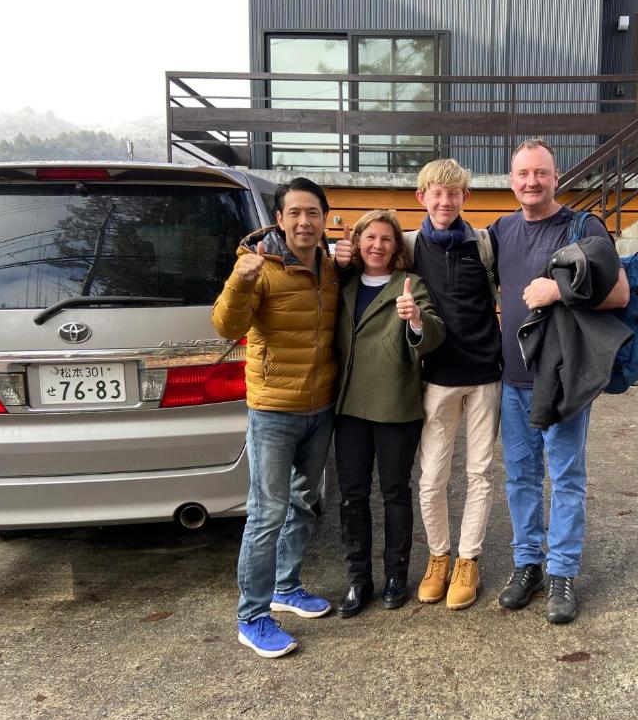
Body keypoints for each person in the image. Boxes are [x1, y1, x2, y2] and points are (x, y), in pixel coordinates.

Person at [489, 139, 629, 624]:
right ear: (511, 181)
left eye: (541, 173)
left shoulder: (583, 227)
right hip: (512, 378)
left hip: (564, 378)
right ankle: (527, 564)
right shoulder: (501, 231)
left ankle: (562, 572)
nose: (532, 182)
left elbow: (619, 293)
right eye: (523, 174)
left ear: (556, 177)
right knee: (520, 477)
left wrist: (559, 290)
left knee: (566, 479)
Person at [211, 177, 339, 658]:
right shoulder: (259, 267)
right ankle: (252, 617)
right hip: (273, 410)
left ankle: (287, 587)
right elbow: (226, 325)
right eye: (295, 213)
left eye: (313, 212)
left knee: (305, 502)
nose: (305, 222)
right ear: (279, 220)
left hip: (320, 406)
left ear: (324, 219)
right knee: (267, 512)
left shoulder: (330, 267)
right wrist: (239, 280)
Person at [331, 209, 445, 617]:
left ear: (396, 246)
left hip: (396, 405)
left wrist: (416, 321)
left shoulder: (409, 284)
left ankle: (396, 576)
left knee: (395, 492)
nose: (377, 245)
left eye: (386, 239)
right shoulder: (342, 283)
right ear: (358, 243)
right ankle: (358, 579)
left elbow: (434, 334)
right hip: (349, 407)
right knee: (352, 495)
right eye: (370, 237)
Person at [408, 159, 502, 610]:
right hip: (437, 376)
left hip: (485, 375)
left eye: (453, 193)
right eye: (436, 193)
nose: (445, 201)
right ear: (421, 197)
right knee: (432, 477)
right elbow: (365, 255)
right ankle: (439, 556)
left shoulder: (484, 244)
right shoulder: (407, 246)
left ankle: (468, 560)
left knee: (479, 473)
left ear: (466, 197)